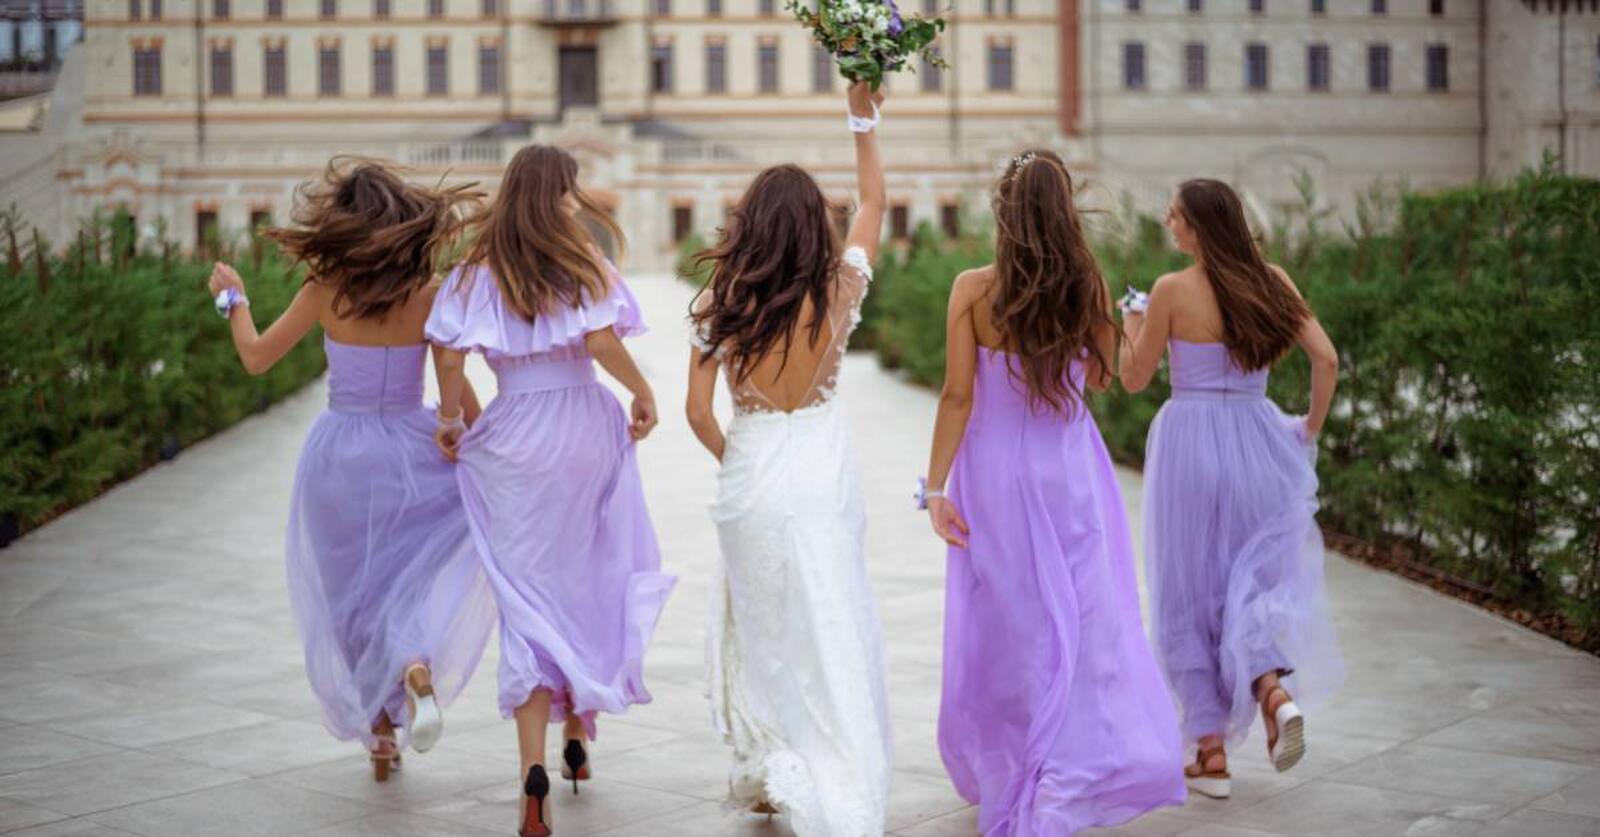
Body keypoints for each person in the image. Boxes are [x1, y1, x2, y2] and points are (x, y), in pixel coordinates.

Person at [921, 149, 1185, 835]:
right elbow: (1106, 380)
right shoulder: (1087, 287)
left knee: (1011, 618)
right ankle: (1066, 762)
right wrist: (1129, 325)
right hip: (1067, 469)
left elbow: (956, 395)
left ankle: (1020, 758)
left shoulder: (971, 290)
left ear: (1004, 213)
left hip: (995, 473)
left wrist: (933, 488)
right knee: (1080, 615)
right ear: (1065, 212)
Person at [207, 158, 495, 781]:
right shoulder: (428, 293)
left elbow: (256, 358)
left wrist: (231, 297)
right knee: (407, 580)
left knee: (351, 596)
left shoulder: (323, 289)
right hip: (415, 451)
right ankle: (414, 667)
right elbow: (455, 378)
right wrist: (477, 435)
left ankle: (382, 732)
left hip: (341, 455)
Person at [426, 144, 675, 837]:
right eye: (569, 190)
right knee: (583, 580)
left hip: (510, 433)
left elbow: (449, 352)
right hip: (583, 430)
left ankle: (534, 768)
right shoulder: (581, 260)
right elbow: (599, 342)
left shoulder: (477, 273)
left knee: (525, 598)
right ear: (552, 194)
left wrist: (452, 417)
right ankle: (579, 737)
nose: (575, 201)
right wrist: (644, 389)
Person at [683, 81, 891, 837]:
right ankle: (823, 761)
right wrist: (861, 120)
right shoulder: (838, 290)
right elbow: (873, 203)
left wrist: (737, 457)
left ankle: (774, 766)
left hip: (753, 471)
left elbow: (698, 411)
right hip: (820, 473)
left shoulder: (723, 299)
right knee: (826, 618)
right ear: (813, 227)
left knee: (763, 623)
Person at [1120, 177, 1344, 799]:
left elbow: (1135, 377)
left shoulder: (1170, 290)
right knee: (1249, 579)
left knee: (1187, 590)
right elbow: (1325, 360)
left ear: (1198, 226)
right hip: (1258, 436)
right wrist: (1306, 430)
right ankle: (1273, 689)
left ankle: (1210, 751)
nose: (1167, 219)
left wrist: (1130, 322)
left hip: (1188, 441)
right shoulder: (1272, 281)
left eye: (1175, 214)